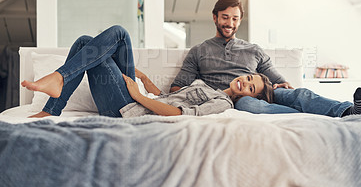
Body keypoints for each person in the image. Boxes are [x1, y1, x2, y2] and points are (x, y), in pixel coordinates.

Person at [170, 0, 361, 117]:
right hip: (230, 100)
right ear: (215, 17)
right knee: (251, 105)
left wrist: (282, 85)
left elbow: (280, 82)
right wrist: (201, 96)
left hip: (261, 92)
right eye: (225, 17)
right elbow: (177, 88)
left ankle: (349, 112)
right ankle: (313, 119)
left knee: (299, 94)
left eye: (235, 18)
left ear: (240, 21)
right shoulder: (199, 50)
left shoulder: (254, 50)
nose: (230, 24)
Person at [21, 25, 274, 118]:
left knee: (118, 33)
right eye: (249, 78)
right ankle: (52, 106)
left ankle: (58, 83)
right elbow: (165, 97)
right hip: (136, 96)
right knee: (84, 41)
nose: (246, 83)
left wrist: (139, 96)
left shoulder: (223, 105)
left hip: (128, 109)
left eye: (252, 88)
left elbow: (177, 113)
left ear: (250, 97)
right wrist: (142, 79)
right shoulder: (207, 86)